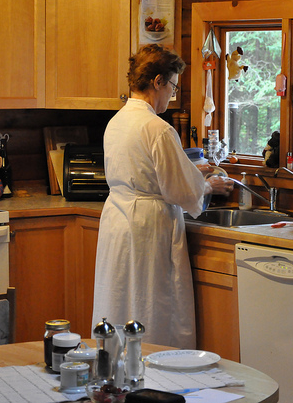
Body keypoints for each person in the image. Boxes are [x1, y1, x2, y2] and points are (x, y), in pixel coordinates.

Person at [91, 44, 233, 348]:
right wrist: (207, 184)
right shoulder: (158, 128)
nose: (172, 94)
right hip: (149, 224)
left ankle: (115, 360)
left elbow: (151, 170)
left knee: (119, 295)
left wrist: (189, 172)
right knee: (151, 300)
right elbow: (179, 189)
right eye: (173, 86)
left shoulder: (117, 122)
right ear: (158, 82)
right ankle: (155, 362)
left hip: (117, 217)